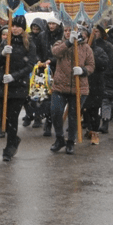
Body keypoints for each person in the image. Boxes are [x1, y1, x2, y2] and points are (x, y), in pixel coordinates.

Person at [0, 15, 36, 161]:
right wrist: (3, 53)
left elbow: (30, 64)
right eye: (13, 26)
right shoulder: (7, 41)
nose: (15, 29)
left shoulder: (29, 42)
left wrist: (14, 76)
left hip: (19, 85)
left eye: (18, 26)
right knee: (4, 117)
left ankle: (9, 147)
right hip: (5, 85)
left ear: (23, 28)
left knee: (12, 117)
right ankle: (14, 139)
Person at [49, 23, 94, 154]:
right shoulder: (59, 43)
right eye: (66, 30)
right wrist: (68, 42)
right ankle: (59, 138)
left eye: (71, 30)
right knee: (56, 111)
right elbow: (56, 53)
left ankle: (70, 141)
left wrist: (83, 70)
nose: (68, 32)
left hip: (79, 87)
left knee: (74, 116)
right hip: (60, 86)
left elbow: (91, 65)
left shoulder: (85, 48)